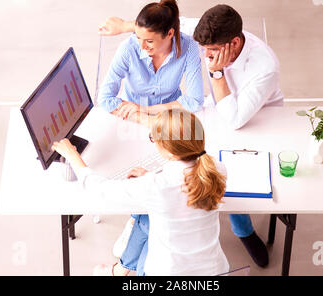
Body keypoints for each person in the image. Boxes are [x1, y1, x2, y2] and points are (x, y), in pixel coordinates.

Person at [98, 4, 284, 268]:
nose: (205, 57)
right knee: (190, 163)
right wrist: (127, 26)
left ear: (234, 43)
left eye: (213, 52)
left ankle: (244, 231)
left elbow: (234, 118)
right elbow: (172, 24)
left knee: (230, 171)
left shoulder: (264, 67)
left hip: (256, 120)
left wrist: (216, 73)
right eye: (203, 51)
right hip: (218, 109)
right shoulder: (204, 36)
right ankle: (139, 220)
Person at [52, 109, 230, 276]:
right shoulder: (217, 169)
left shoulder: (157, 187)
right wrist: (150, 177)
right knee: (147, 216)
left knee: (143, 216)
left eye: (153, 138)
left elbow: (100, 189)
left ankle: (121, 267)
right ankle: (122, 267)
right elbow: (177, 192)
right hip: (215, 272)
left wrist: (72, 155)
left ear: (168, 150)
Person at [97, 0, 205, 259]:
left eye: (149, 41)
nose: (143, 46)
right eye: (139, 38)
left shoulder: (188, 48)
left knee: (169, 176)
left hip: (167, 125)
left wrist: (148, 110)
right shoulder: (129, 48)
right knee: (131, 174)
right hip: (131, 123)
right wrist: (142, 118)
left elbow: (194, 101)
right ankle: (137, 221)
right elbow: (105, 99)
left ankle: (144, 222)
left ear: (170, 33)